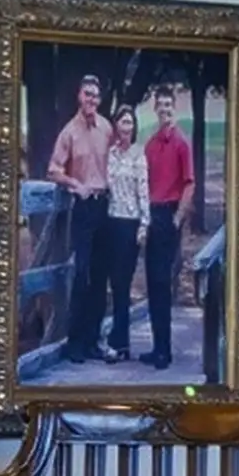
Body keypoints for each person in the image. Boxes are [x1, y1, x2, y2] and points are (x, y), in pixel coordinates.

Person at [38, 72, 117, 367]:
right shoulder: (69, 132)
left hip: (105, 207)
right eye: (87, 94)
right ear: (79, 97)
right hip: (83, 207)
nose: (91, 100)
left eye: (95, 96)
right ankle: (75, 344)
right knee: (81, 275)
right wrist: (75, 185)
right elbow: (53, 170)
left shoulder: (106, 128)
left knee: (100, 278)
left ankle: (93, 340)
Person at [73, 66, 148, 366]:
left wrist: (145, 223)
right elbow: (96, 175)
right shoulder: (112, 153)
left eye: (129, 122)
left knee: (122, 284)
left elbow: (144, 191)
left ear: (134, 125)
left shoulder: (138, 156)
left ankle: (122, 343)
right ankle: (106, 341)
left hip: (130, 225)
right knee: (106, 281)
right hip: (109, 220)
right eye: (121, 121)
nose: (125, 126)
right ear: (116, 126)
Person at [134, 85, 199, 367]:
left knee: (163, 281)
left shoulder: (181, 144)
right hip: (152, 214)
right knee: (152, 282)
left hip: (170, 214)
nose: (164, 111)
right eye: (160, 106)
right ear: (155, 110)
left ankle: (165, 351)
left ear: (175, 109)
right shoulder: (150, 145)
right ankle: (157, 346)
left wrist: (177, 217)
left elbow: (190, 183)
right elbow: (144, 182)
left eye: (168, 106)